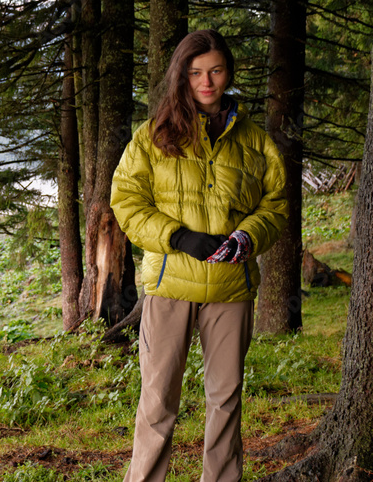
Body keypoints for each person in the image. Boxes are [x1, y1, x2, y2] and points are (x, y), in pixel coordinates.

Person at [111, 29, 288, 482]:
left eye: (214, 71)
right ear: (181, 76)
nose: (205, 82)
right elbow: (127, 201)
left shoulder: (255, 141)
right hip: (170, 286)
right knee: (157, 403)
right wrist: (177, 236)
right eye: (194, 72)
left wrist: (248, 237)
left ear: (228, 72)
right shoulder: (153, 135)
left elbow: (276, 204)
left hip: (231, 289)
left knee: (226, 402)